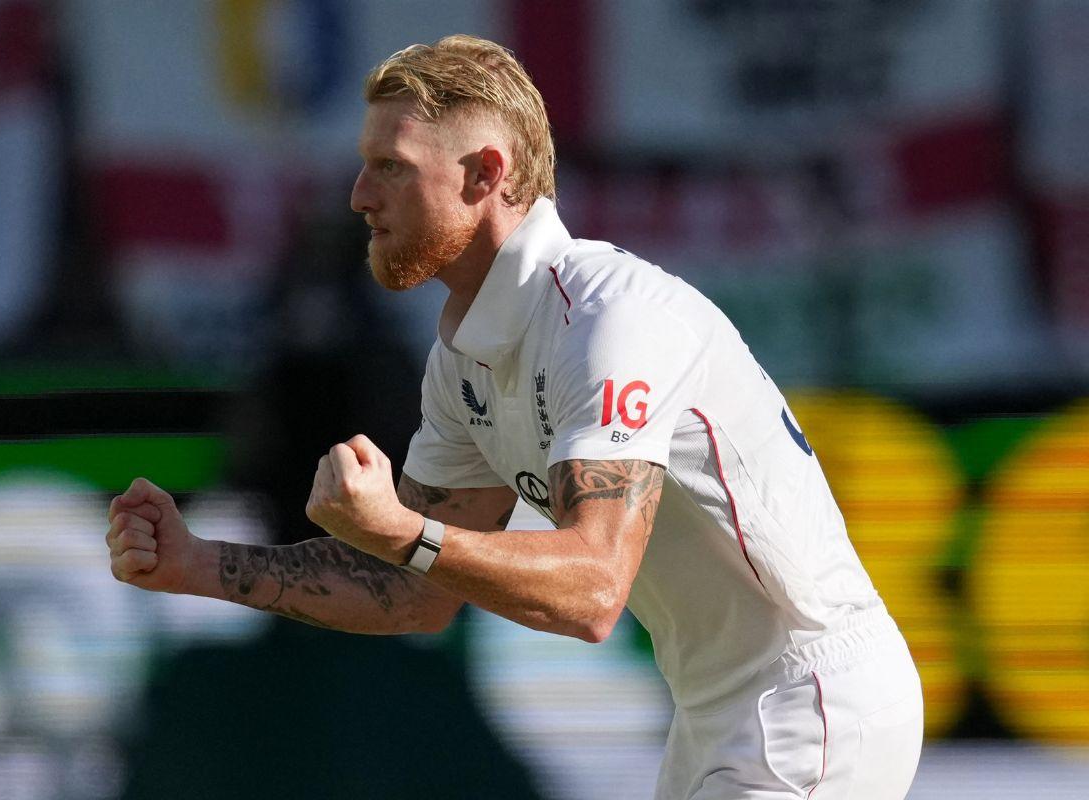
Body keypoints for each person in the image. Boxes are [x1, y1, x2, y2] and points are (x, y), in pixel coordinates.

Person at [105, 35, 923, 799]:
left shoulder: (608, 321)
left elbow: (593, 590)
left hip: (812, 696)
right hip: (721, 708)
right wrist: (199, 565)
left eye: (390, 167)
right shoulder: (464, 357)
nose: (360, 196)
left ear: (484, 175)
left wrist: (403, 530)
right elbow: (414, 597)